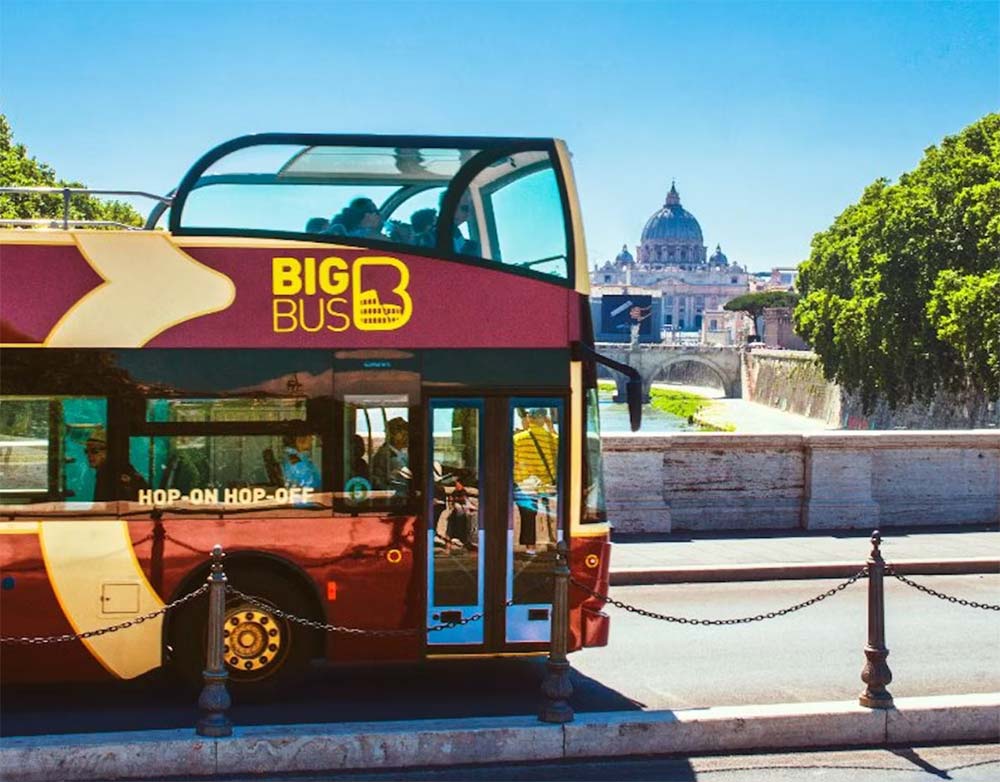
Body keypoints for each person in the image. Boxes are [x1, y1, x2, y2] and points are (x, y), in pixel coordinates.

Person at [512, 408, 558, 555]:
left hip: (524, 484)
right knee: (549, 513)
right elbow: (559, 447)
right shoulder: (550, 438)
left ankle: (530, 547)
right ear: (543, 419)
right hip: (545, 484)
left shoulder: (518, 438)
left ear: (529, 419)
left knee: (528, 515)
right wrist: (550, 427)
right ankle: (554, 541)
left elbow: (513, 461)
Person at [85, 426, 147, 502]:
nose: (89, 455)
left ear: (109, 451)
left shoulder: (107, 473)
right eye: (86, 451)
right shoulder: (121, 470)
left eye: (94, 451)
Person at [370, 417, 409, 495]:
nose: (407, 438)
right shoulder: (388, 455)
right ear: (394, 435)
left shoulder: (399, 452)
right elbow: (407, 476)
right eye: (404, 434)